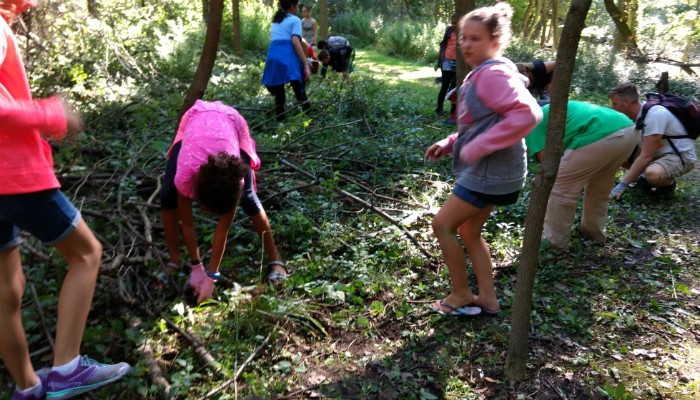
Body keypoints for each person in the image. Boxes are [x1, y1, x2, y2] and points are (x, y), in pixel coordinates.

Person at [0, 1, 131, 399]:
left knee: (8, 288)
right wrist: (53, 115)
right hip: (13, 175)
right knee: (87, 253)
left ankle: (28, 388)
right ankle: (67, 368)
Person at [425, 3, 541, 316]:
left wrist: (479, 147)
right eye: (464, 37)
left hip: (490, 173)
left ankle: (461, 293)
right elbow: (483, 122)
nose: (465, 44)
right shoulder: (490, 72)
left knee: (443, 225)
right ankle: (488, 299)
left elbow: (529, 114)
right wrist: (451, 142)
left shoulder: (492, 74)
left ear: (495, 43)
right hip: (500, 173)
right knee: (468, 231)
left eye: (475, 38)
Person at [160, 100, 288, 304]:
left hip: (232, 122)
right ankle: (175, 260)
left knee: (248, 197)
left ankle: (276, 258)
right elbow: (188, 222)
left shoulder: (235, 179)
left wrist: (211, 278)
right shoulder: (185, 174)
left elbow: (222, 230)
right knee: (167, 194)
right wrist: (196, 268)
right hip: (194, 118)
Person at [525, 101, 639, 251]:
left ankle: (554, 244)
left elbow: (548, 165)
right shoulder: (557, 110)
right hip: (630, 130)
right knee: (599, 187)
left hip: (603, 134)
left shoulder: (533, 121)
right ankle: (594, 234)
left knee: (559, 187)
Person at [608, 82, 697, 199]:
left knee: (653, 174)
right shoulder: (636, 114)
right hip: (657, 153)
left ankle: (667, 184)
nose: (612, 107)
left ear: (627, 102)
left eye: (615, 104)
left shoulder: (656, 115)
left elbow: (646, 156)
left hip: (680, 156)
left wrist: (622, 185)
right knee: (614, 154)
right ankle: (646, 177)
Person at [262, 0, 310, 121]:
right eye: (298, 6)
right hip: (287, 58)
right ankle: (311, 119)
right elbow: (295, 42)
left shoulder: (276, 21)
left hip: (273, 57)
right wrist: (305, 64)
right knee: (299, 90)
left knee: (279, 95)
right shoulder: (295, 20)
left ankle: (281, 123)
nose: (298, 9)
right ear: (292, 6)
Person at [436, 14, 458, 117]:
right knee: (445, 86)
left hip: (458, 63)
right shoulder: (448, 31)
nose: (453, 25)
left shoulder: (464, 33)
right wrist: (438, 59)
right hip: (447, 61)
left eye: (455, 23)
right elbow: (443, 45)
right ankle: (439, 109)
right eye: (452, 22)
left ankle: (453, 111)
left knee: (454, 88)